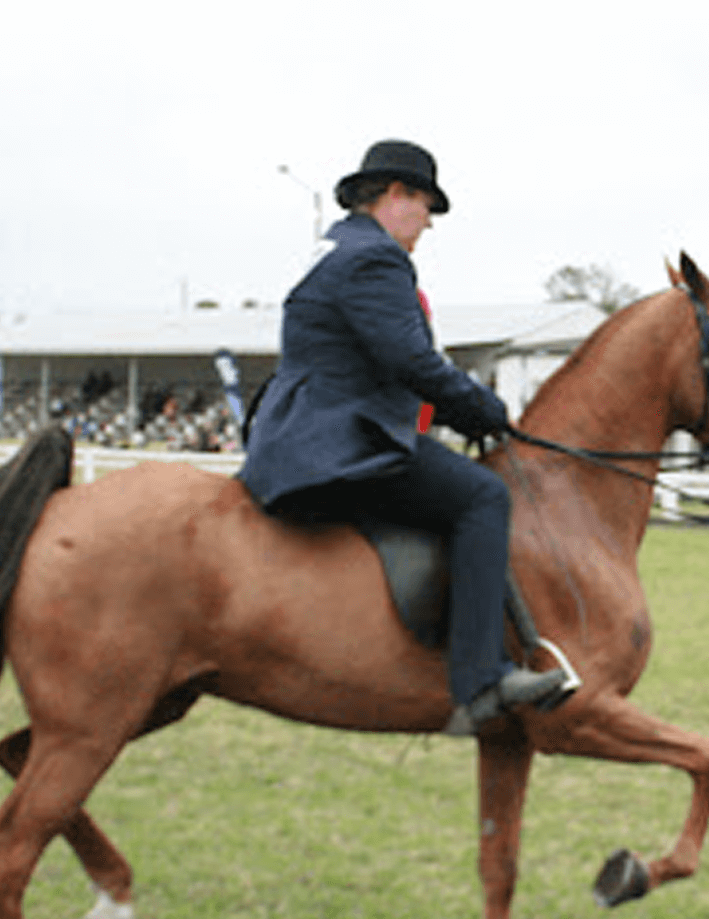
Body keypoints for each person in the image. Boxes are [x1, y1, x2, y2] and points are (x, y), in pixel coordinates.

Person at [238, 140, 572, 735]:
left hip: (307, 429)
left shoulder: (342, 248)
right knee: (482, 498)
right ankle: (480, 683)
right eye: (426, 208)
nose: (427, 226)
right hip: (334, 439)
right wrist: (484, 410)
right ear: (397, 195)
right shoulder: (377, 259)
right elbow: (411, 362)